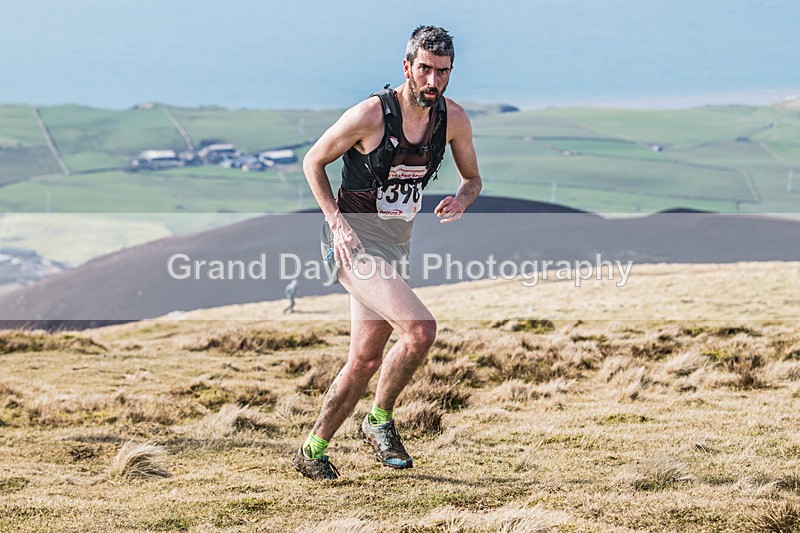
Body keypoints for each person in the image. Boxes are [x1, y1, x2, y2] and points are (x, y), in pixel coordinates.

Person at [293, 25, 482, 480]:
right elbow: (313, 161)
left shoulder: (452, 120)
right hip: (353, 243)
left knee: (365, 359)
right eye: (424, 70)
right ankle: (379, 421)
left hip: (396, 247)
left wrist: (462, 198)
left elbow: (473, 180)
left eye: (443, 72)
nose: (433, 82)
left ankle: (312, 448)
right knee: (420, 330)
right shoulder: (370, 115)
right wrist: (335, 222)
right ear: (406, 67)